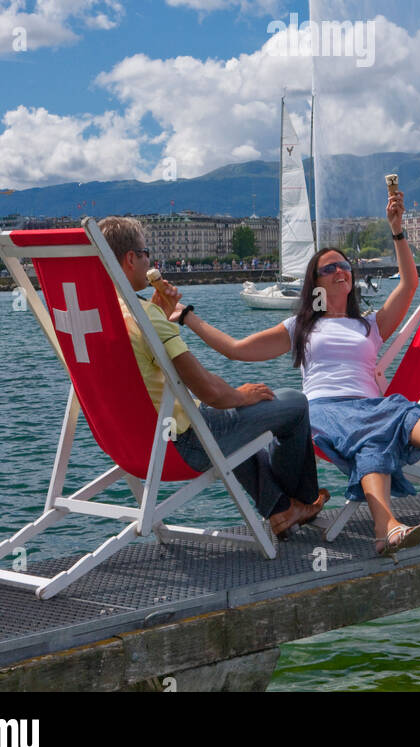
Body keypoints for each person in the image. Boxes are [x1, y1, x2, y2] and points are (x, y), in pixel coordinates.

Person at [168, 192, 420, 557]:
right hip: (324, 412)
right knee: (373, 434)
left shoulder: (370, 325)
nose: (340, 270)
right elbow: (236, 349)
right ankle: (391, 519)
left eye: (344, 265)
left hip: (371, 408)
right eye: (329, 268)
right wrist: (189, 318)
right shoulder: (300, 327)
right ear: (315, 284)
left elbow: (408, 285)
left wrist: (397, 230)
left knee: (400, 411)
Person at [98, 216, 328, 538]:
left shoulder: (96, 316)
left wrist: (160, 312)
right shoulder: (144, 317)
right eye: (145, 252)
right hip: (183, 446)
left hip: (127, 444)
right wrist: (240, 396)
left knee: (232, 428)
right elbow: (208, 390)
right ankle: (301, 502)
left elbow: (140, 357)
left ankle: (280, 510)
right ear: (131, 259)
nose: (150, 259)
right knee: (293, 403)